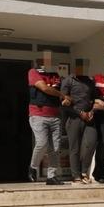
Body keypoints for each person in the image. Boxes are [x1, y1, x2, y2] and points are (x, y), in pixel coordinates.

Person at [27, 52, 70, 185]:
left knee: (55, 148)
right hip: (38, 115)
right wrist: (62, 95)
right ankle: (33, 167)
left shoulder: (56, 76)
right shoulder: (33, 72)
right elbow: (44, 88)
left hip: (55, 116)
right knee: (42, 143)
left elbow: (65, 95)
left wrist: (65, 100)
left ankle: (51, 176)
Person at [60, 60, 98, 184]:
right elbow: (64, 103)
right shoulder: (68, 81)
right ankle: (76, 176)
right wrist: (79, 113)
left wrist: (92, 111)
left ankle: (84, 172)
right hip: (74, 118)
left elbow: (94, 99)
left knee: (91, 143)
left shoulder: (90, 81)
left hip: (89, 118)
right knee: (74, 148)